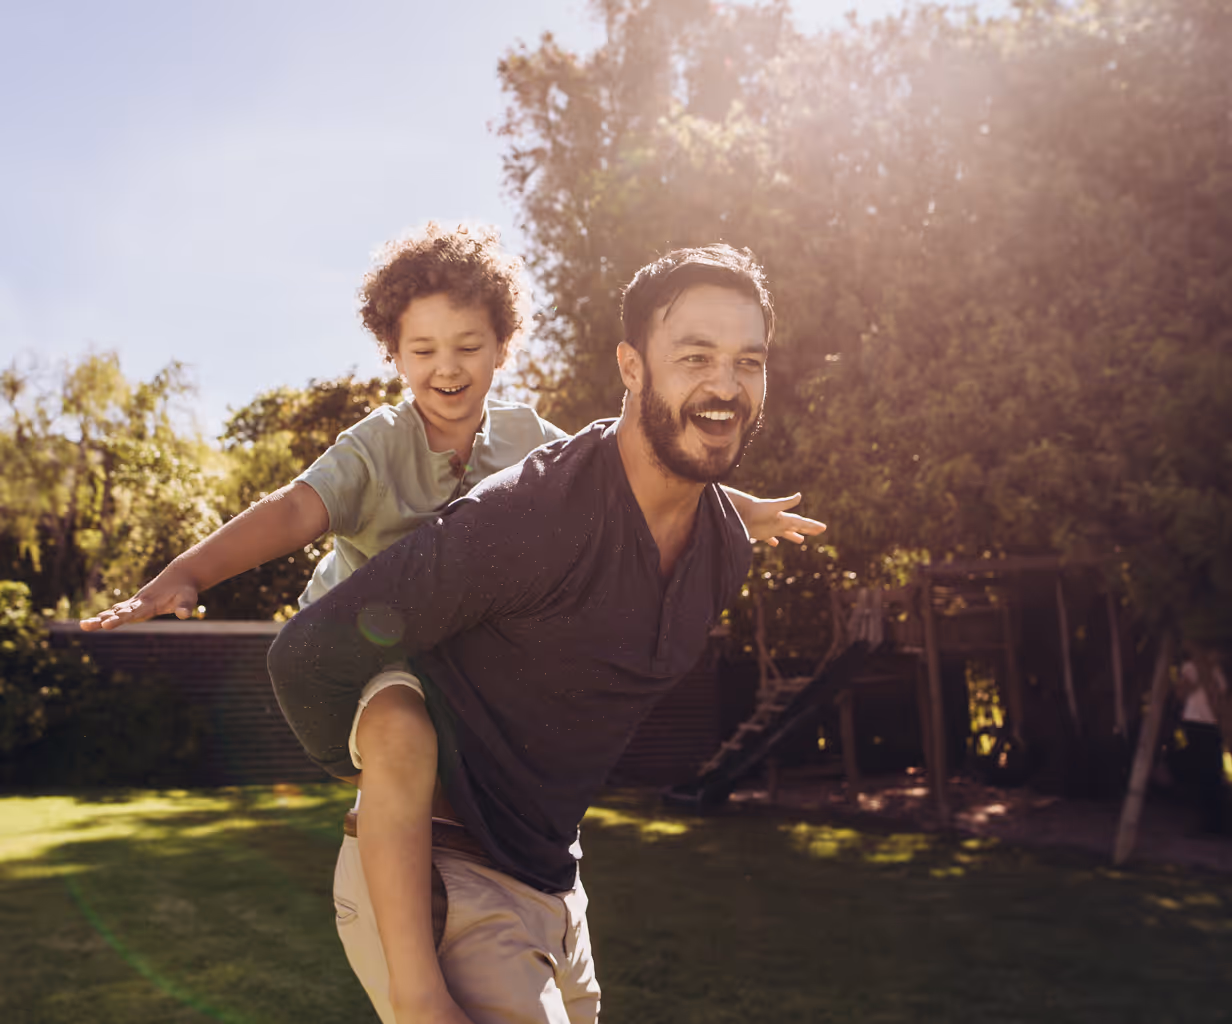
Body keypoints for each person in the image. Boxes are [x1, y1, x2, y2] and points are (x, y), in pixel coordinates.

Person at [80, 229, 821, 1022]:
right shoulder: (382, 448)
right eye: (423, 349)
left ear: (503, 348)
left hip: (542, 865)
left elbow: (635, 466)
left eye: (749, 360)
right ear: (394, 355)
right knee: (403, 736)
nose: (447, 367)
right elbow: (295, 512)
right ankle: (416, 984)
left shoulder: (533, 447)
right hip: (374, 653)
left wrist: (735, 509)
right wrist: (187, 575)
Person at [267, 243, 792, 1024]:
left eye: (747, 362)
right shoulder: (528, 515)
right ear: (633, 367)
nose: (725, 385)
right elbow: (307, 657)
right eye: (694, 357)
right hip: (445, 879)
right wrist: (370, 775)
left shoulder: (723, 549)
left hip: (553, 883)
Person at [1177, 654, 1229, 835]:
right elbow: (1181, 693)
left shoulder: (1218, 671)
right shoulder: (1192, 667)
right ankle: (1207, 821)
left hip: (1212, 723)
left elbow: (1220, 697)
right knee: (1201, 772)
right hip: (1196, 722)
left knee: (1212, 771)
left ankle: (1216, 821)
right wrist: (1200, 677)